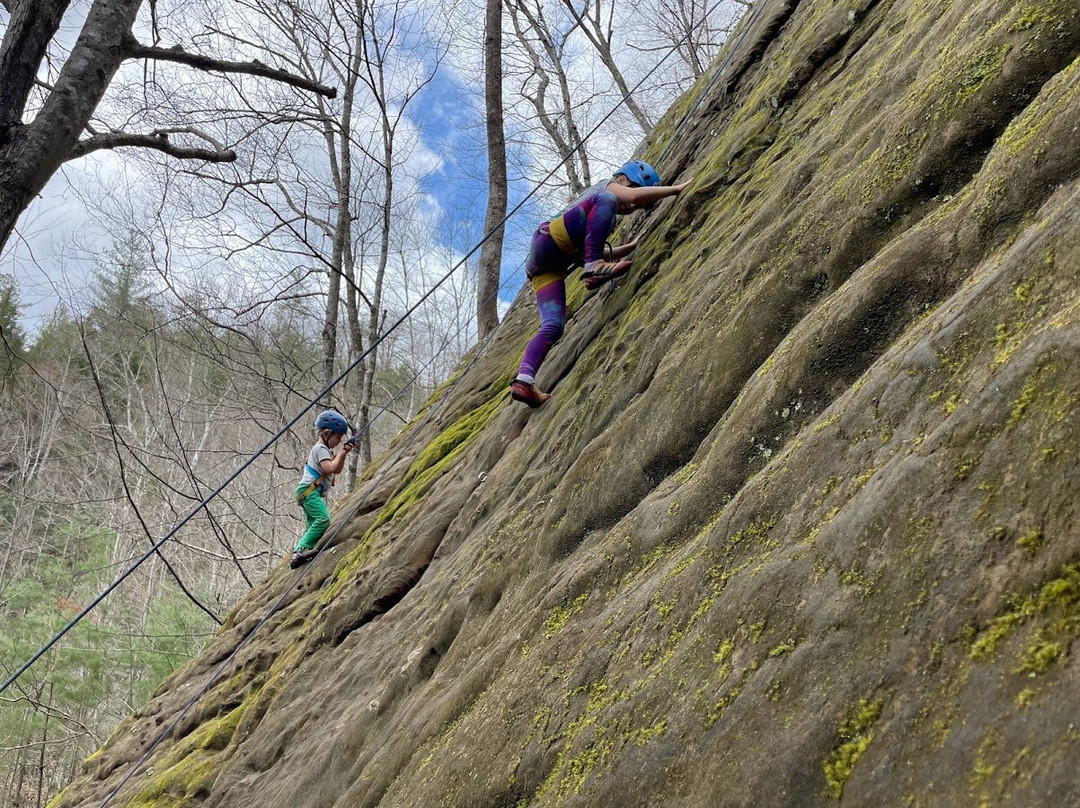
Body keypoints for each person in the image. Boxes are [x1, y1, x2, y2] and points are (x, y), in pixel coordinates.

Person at [510, 160, 691, 407]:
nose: (631, 207)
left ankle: (524, 381)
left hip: (545, 266)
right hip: (550, 239)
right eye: (632, 192)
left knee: (553, 325)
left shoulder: (596, 214)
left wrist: (629, 247)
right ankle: (594, 271)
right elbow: (633, 198)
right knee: (607, 199)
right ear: (624, 179)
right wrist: (676, 189)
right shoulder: (606, 188)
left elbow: (588, 250)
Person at [289, 410, 354, 568]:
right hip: (309, 491)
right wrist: (340, 454)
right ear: (326, 433)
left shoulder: (326, 450)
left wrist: (343, 453)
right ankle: (300, 550)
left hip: (309, 492)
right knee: (323, 519)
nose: (339, 441)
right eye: (337, 437)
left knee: (313, 526)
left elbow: (337, 470)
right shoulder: (320, 449)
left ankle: (304, 552)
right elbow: (330, 467)